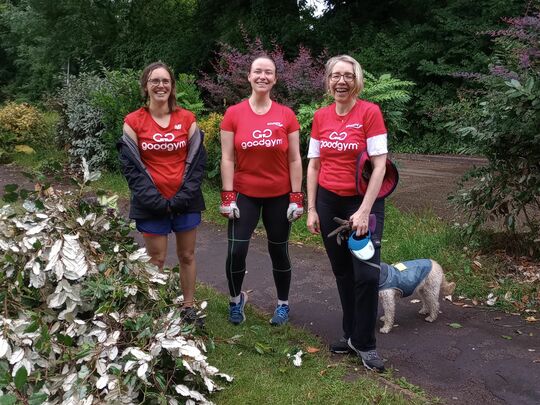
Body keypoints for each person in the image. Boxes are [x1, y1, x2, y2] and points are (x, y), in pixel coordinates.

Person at [306, 55, 388, 372]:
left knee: (366, 274)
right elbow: (314, 164)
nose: (341, 81)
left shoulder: (370, 113)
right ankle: (350, 335)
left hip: (364, 201)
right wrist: (312, 208)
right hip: (328, 201)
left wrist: (365, 210)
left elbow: (380, 165)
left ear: (357, 81)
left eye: (348, 76)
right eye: (335, 76)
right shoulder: (321, 116)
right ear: (328, 81)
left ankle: (366, 344)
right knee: (343, 272)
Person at [117, 61, 207, 325]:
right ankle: (154, 309)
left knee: (187, 255)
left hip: (185, 200)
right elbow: (132, 168)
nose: (160, 85)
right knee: (155, 258)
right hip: (150, 202)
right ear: (145, 86)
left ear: (172, 86)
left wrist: (181, 197)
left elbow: (197, 162)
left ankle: (188, 307)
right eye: (154, 81)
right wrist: (155, 200)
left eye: (165, 80)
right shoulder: (133, 122)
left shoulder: (187, 119)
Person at [219, 55, 303, 326]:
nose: (262, 76)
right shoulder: (234, 113)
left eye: (268, 72)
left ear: (275, 78)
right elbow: (227, 158)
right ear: (249, 76)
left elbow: (294, 159)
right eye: (258, 72)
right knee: (236, 251)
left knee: (279, 250)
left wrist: (296, 197)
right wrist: (228, 195)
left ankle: (282, 305)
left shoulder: (286, 115)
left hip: (279, 195)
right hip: (245, 194)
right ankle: (235, 301)